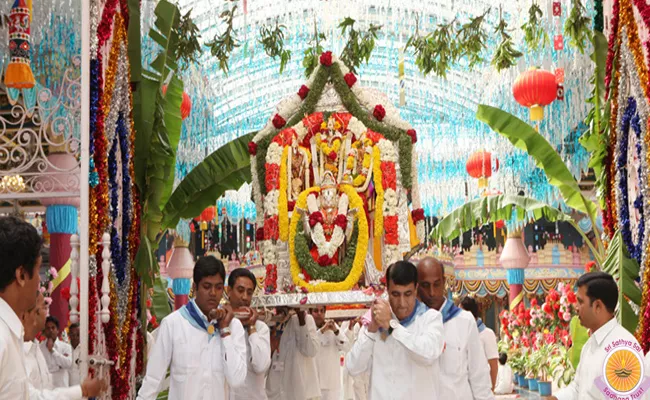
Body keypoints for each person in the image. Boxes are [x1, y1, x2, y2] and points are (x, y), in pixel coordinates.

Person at [0, 216, 104, 399]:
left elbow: (27, 396)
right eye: (38, 270)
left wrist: (82, 391)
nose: (40, 280)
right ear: (21, 275)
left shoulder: (10, 333)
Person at [137, 256, 247, 400]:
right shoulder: (173, 324)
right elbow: (153, 380)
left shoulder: (233, 326)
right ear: (194, 288)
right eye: (207, 286)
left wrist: (225, 331)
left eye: (218, 287)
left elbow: (237, 380)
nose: (213, 293)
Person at [345, 261, 445, 399]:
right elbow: (353, 367)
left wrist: (392, 327)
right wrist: (371, 330)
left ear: (416, 289)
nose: (402, 303)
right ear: (387, 290)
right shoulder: (376, 321)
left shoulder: (430, 319)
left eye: (408, 294)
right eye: (396, 294)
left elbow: (427, 355)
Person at [544, 272, 646, 400]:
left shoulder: (623, 349)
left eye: (580, 302)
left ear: (597, 306)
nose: (576, 307)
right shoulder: (589, 345)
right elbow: (578, 388)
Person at [417, 257, 493, 400]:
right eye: (425, 285)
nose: (432, 292)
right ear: (416, 286)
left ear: (444, 282)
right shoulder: (412, 324)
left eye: (436, 284)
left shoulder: (464, 321)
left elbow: (479, 376)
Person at [227, 268, 271, 400]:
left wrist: (251, 327)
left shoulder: (261, 328)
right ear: (229, 291)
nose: (245, 297)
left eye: (249, 292)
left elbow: (261, 366)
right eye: (240, 290)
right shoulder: (220, 324)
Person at [265, 306, 320, 400]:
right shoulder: (271, 320)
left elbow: (311, 351)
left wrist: (301, 319)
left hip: (298, 389)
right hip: (275, 389)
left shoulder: (306, 319)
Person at [310, 306, 349, 400]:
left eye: (321, 311)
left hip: (331, 384)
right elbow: (310, 345)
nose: (319, 313)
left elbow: (346, 346)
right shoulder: (308, 328)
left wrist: (336, 331)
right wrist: (322, 330)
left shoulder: (334, 327)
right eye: (316, 311)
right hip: (313, 383)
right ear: (310, 313)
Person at [461, 296, 498, 390]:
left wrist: (491, 389)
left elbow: (493, 364)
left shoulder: (487, 334)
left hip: (482, 387)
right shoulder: (462, 333)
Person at [40, 316, 73, 388]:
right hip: (46, 390)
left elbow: (68, 364)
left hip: (62, 389)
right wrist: (58, 366)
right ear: (45, 331)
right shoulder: (40, 348)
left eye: (53, 328)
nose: (50, 330)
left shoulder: (65, 347)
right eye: (48, 328)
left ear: (57, 330)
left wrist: (52, 350)